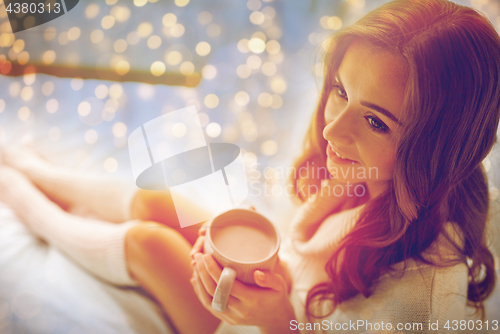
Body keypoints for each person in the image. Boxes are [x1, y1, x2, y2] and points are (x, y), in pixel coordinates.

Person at [1, 0, 499, 333]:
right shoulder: (370, 173)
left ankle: (20, 197)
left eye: (375, 121)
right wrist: (263, 273)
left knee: (148, 244)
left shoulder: (426, 293)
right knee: (161, 199)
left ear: (436, 148)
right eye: (341, 93)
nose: (331, 131)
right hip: (282, 294)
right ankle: (37, 173)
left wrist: (280, 319)